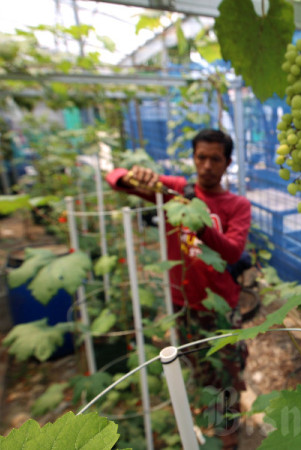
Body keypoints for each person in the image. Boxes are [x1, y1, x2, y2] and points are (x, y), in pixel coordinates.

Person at [106, 128, 250, 447]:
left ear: (227, 163)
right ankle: (208, 425)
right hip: (183, 302)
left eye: (216, 159)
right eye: (201, 157)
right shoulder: (175, 190)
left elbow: (232, 251)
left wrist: (198, 221)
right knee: (199, 368)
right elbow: (114, 177)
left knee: (228, 370)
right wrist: (133, 175)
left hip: (222, 306)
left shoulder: (237, 205)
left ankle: (230, 436)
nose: (207, 165)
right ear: (193, 158)